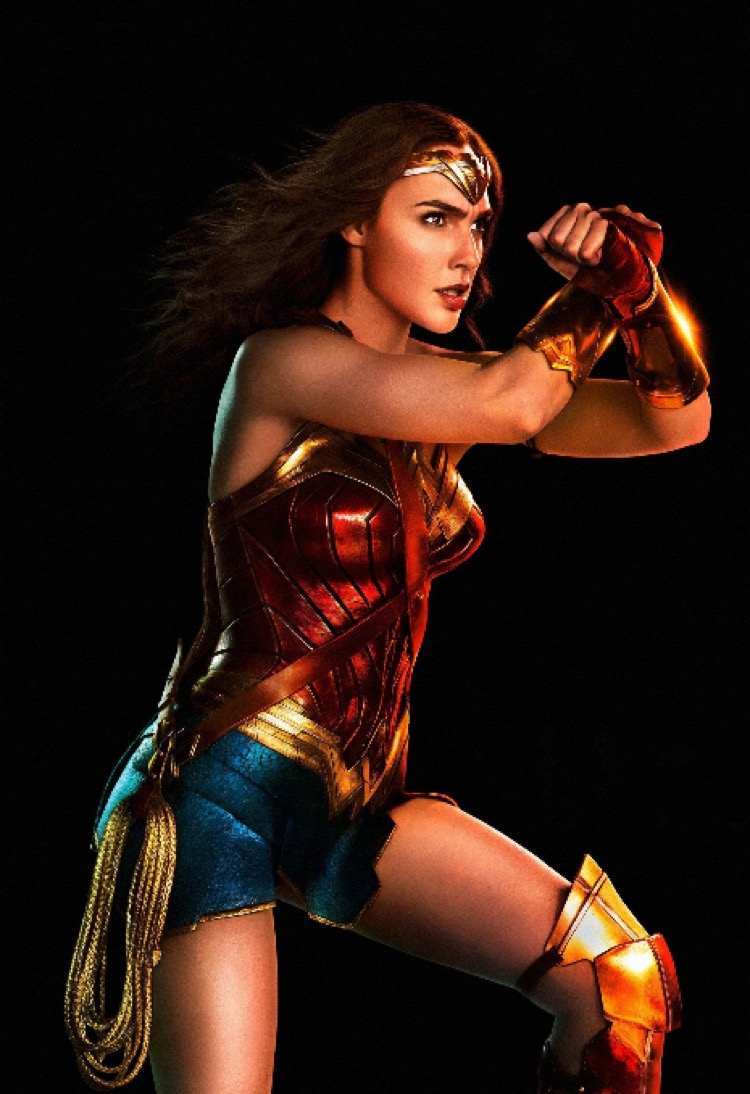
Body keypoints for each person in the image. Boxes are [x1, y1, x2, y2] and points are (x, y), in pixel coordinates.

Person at [65, 100, 709, 1094]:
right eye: (434, 217)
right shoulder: (284, 364)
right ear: (355, 222)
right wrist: (601, 291)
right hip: (220, 790)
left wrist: (646, 294)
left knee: (617, 985)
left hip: (355, 797)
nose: (465, 251)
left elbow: (678, 423)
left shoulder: (443, 386)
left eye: (478, 224)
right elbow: (513, 401)